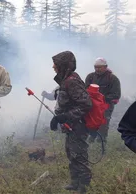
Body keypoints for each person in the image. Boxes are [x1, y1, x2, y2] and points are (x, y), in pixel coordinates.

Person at [49, 51, 92, 193]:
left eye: (55, 64)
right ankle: (75, 183)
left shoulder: (72, 81)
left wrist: (65, 116)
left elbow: (86, 104)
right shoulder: (66, 79)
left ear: (63, 65)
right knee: (71, 153)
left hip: (77, 124)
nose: (53, 66)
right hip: (71, 125)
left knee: (79, 155)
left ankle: (84, 187)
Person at [85, 57, 121, 143]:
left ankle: (102, 141)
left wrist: (102, 98)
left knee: (104, 123)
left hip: (106, 105)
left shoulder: (112, 78)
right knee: (91, 121)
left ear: (105, 67)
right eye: (95, 67)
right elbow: (85, 90)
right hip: (92, 105)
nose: (97, 69)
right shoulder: (90, 77)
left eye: (99, 67)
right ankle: (92, 137)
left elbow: (116, 94)